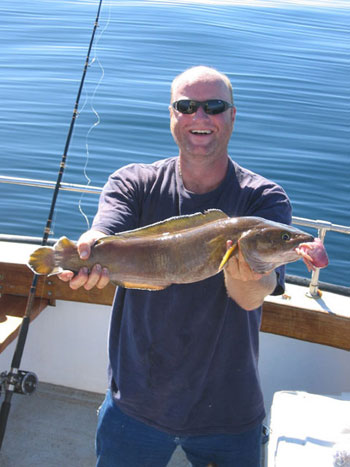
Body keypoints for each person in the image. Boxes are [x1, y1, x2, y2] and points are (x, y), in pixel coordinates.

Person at [59, 66, 291, 467]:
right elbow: (107, 229)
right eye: (187, 106)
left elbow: (252, 296)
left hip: (229, 410)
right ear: (172, 115)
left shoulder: (264, 201)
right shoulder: (133, 182)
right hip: (135, 404)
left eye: (214, 106)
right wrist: (89, 251)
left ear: (232, 116)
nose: (200, 117)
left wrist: (247, 270)